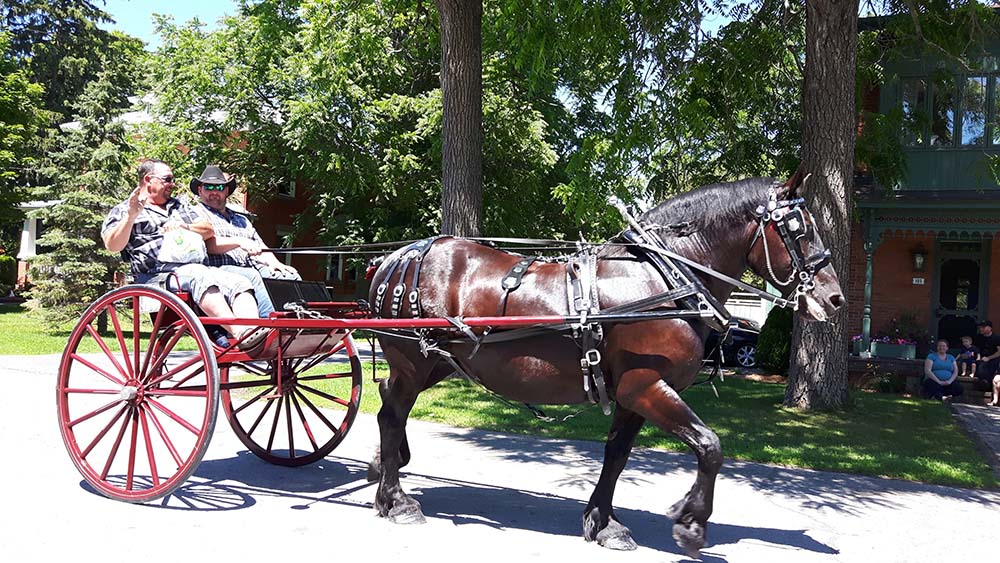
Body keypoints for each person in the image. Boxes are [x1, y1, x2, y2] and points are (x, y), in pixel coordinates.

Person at [102, 159, 266, 350]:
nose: (172, 184)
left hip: (194, 268)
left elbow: (208, 230)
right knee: (199, 276)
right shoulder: (124, 210)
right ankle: (239, 334)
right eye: (167, 179)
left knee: (240, 281)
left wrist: (185, 226)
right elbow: (112, 245)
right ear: (148, 180)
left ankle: (253, 334)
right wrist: (131, 217)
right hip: (156, 276)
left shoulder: (180, 206)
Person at [190, 165, 302, 316]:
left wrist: (276, 264)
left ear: (226, 190)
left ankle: (303, 322)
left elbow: (260, 246)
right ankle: (269, 324)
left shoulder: (241, 220)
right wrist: (239, 241)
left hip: (250, 266)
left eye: (219, 187)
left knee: (288, 275)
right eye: (209, 187)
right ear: (200, 190)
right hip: (217, 270)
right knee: (251, 275)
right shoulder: (195, 214)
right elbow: (209, 245)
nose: (214, 192)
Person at [974, 320, 1000, 394]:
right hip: (982, 359)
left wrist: (989, 358)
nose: (981, 329)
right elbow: (976, 349)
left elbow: (999, 352)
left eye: (983, 327)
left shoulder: (996, 338)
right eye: (980, 327)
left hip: (994, 358)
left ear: (990, 328)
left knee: (988, 367)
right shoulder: (979, 338)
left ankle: (988, 386)